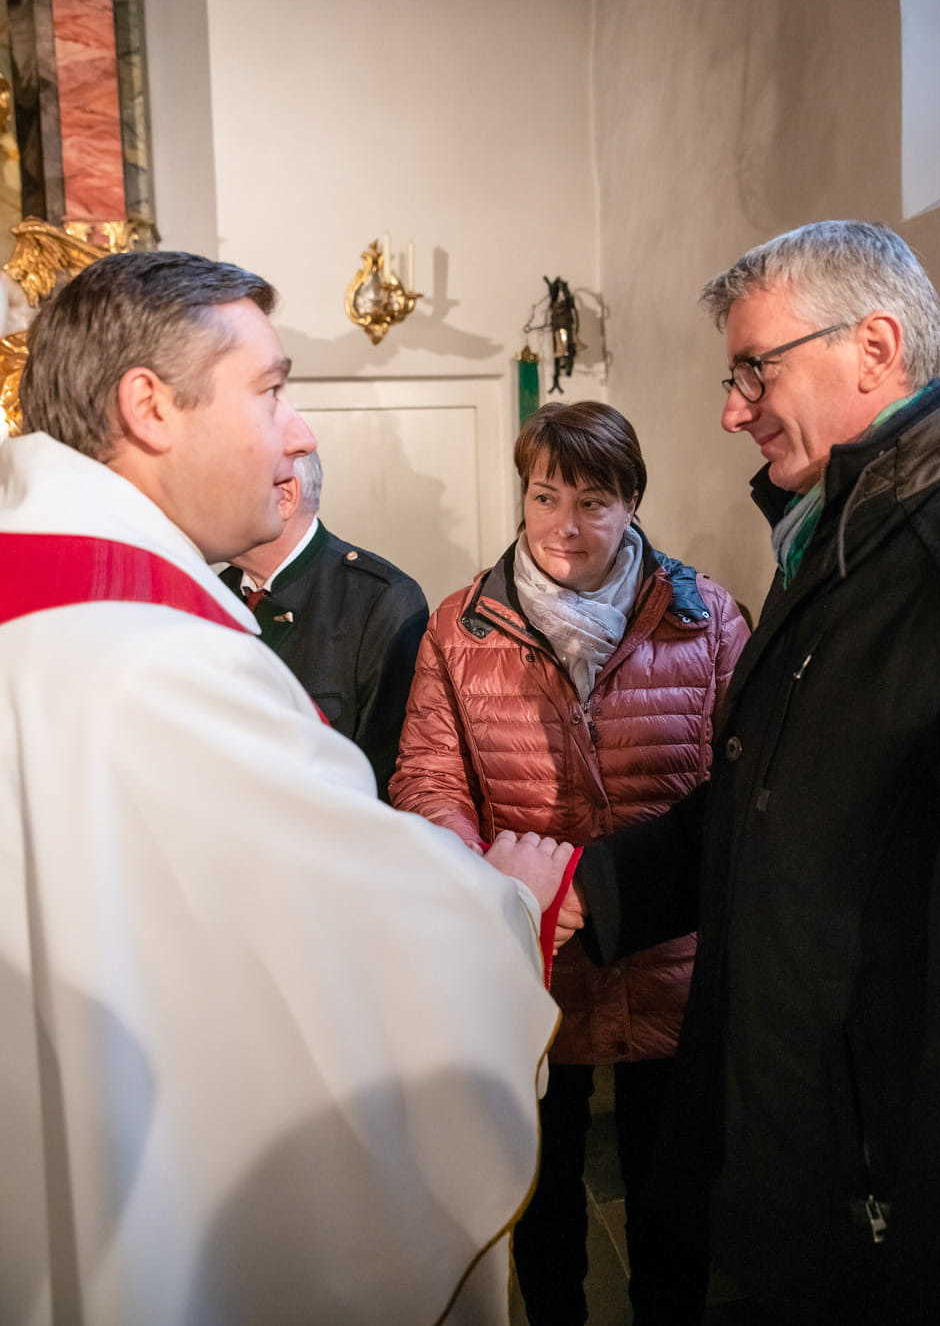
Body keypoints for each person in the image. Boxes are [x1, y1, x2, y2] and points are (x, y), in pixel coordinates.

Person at [0, 249, 573, 1326]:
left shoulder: (44, 597)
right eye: (269, 390)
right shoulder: (157, 661)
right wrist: (505, 904)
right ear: (150, 408)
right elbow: (349, 933)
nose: (293, 431)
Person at [542, 221, 940, 1324]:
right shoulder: (840, 536)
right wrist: (586, 889)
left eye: (757, 369)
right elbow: (774, 808)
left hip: (880, 1208)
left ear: (874, 348)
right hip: (783, 1151)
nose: (732, 409)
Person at [391, 400, 748, 1326]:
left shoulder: (705, 618)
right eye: (545, 496)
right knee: (542, 1207)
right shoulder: (461, 628)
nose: (564, 526)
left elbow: (746, 782)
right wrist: (497, 885)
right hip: (531, 959)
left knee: (673, 1207)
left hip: (670, 957)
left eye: (593, 502)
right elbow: (428, 778)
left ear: (632, 503)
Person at [219, 450, 428, 799]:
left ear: (285, 495)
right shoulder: (211, 593)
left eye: (219, 485)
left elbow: (385, 773)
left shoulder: (379, 598)